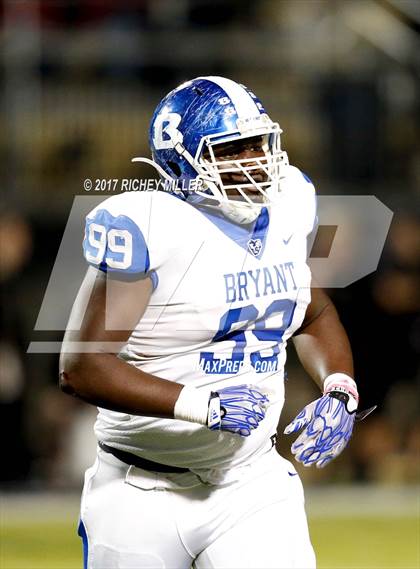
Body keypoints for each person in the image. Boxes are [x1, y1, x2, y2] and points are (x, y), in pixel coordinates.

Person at [60, 76, 373, 569]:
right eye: (232, 149)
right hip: (140, 488)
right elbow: (82, 368)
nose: (255, 160)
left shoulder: (289, 203)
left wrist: (339, 389)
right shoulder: (151, 227)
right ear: (181, 161)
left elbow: (312, 312)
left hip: (251, 481)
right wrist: (201, 405)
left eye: (259, 143)